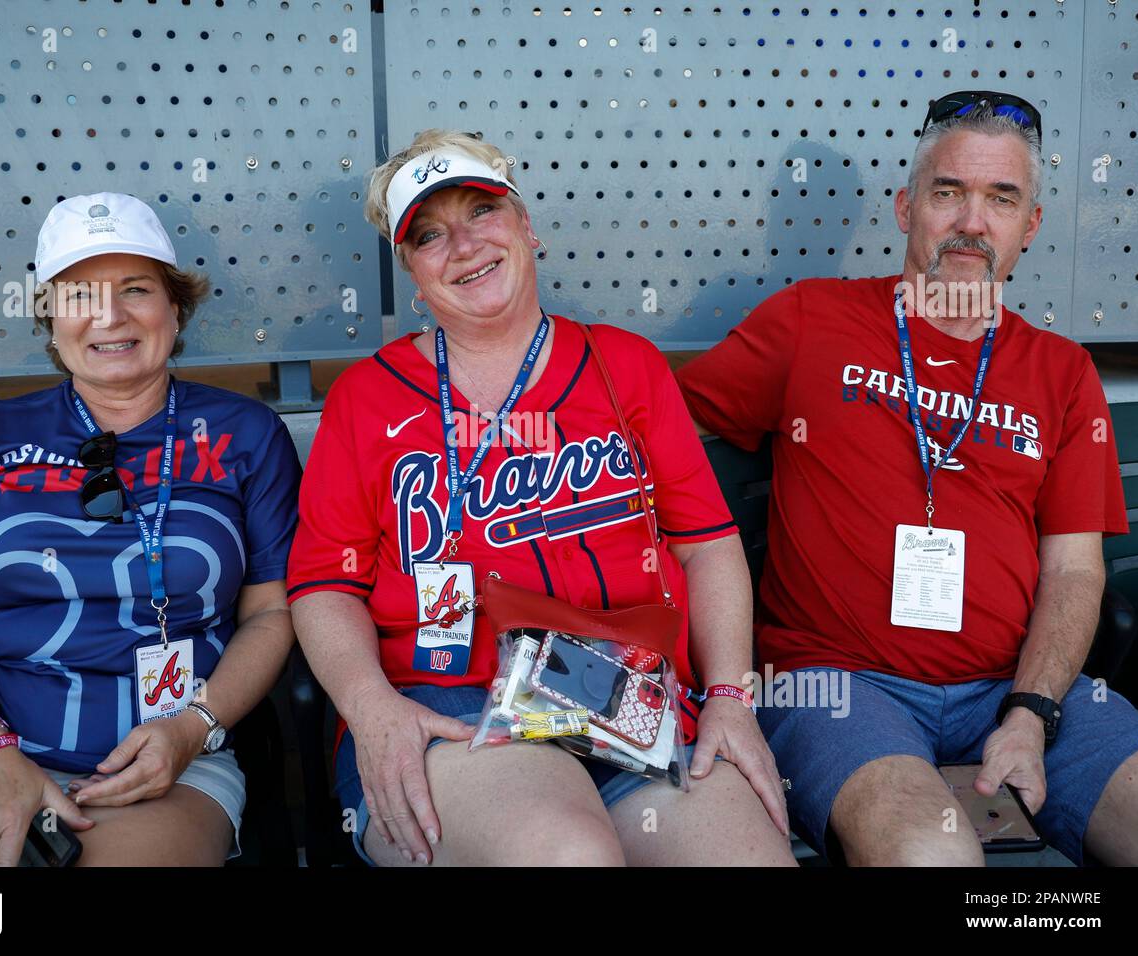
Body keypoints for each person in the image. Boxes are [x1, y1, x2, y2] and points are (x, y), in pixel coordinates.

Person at [287, 130, 794, 866]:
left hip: (628, 696)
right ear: (412, 272)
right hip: (449, 702)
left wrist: (730, 698)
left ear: (527, 228)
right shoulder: (365, 398)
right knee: (567, 855)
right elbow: (323, 584)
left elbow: (708, 542)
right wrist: (372, 711)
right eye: (429, 235)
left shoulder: (626, 367)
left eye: (482, 212)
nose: (462, 245)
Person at [677, 92, 1138, 865]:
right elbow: (655, 434)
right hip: (837, 689)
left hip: (1016, 685)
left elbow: (1073, 570)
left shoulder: (1062, 373)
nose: (972, 220)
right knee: (930, 855)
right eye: (948, 191)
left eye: (1001, 198)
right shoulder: (809, 320)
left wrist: (1031, 714)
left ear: (1029, 227)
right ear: (906, 209)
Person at [0, 192, 300, 866]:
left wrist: (192, 727)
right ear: (51, 317)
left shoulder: (245, 432)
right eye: (80, 294)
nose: (109, 316)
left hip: (157, 766)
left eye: (136, 289)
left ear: (175, 308)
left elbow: (273, 610)